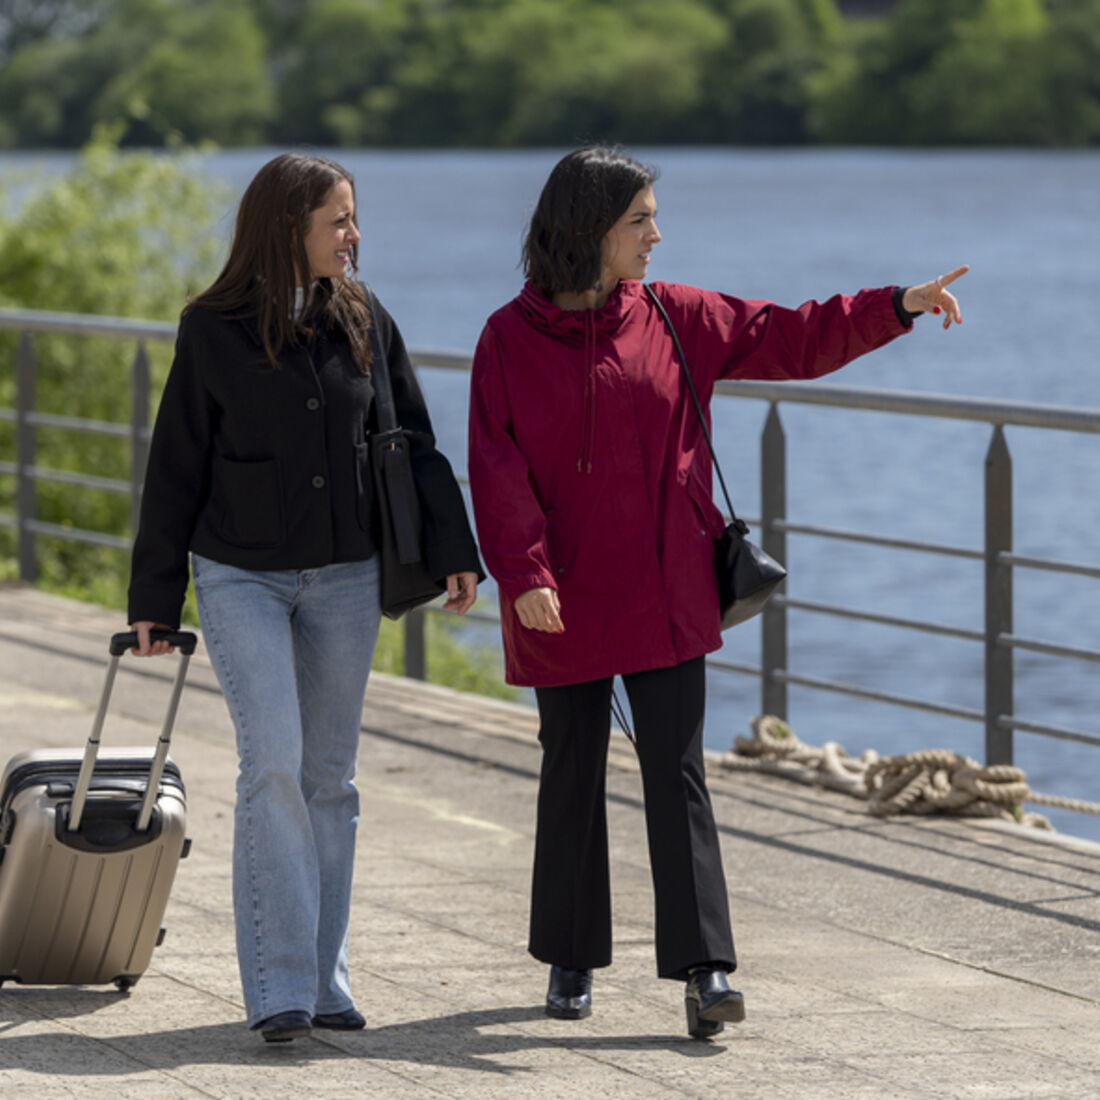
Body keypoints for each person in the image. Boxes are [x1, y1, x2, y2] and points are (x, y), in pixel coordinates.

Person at [467, 145, 966, 1039]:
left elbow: (794, 336)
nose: (657, 234)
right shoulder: (507, 338)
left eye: (653, 217)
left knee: (678, 775)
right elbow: (496, 465)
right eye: (640, 220)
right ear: (590, 230)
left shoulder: (674, 315)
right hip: (561, 598)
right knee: (571, 769)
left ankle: (707, 970)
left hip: (665, 592)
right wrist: (526, 574)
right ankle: (572, 959)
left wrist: (897, 305)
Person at [127, 153, 482, 1043]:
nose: (354, 236)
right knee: (274, 763)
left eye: (354, 219)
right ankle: (280, 988)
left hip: (348, 575)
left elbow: (414, 440)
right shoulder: (210, 328)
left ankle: (326, 981)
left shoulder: (363, 316)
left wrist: (454, 553)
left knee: (331, 778)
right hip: (238, 572)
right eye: (340, 221)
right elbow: (176, 466)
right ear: (290, 227)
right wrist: (154, 600)